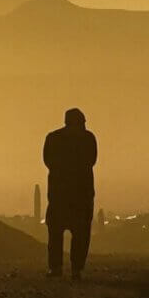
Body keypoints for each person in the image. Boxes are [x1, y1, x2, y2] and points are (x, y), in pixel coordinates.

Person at [43, 107, 98, 280]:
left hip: (61, 193)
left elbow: (48, 161)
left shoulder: (53, 138)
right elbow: (91, 161)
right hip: (80, 194)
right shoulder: (88, 139)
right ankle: (74, 269)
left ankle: (58, 268)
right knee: (79, 233)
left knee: (57, 233)